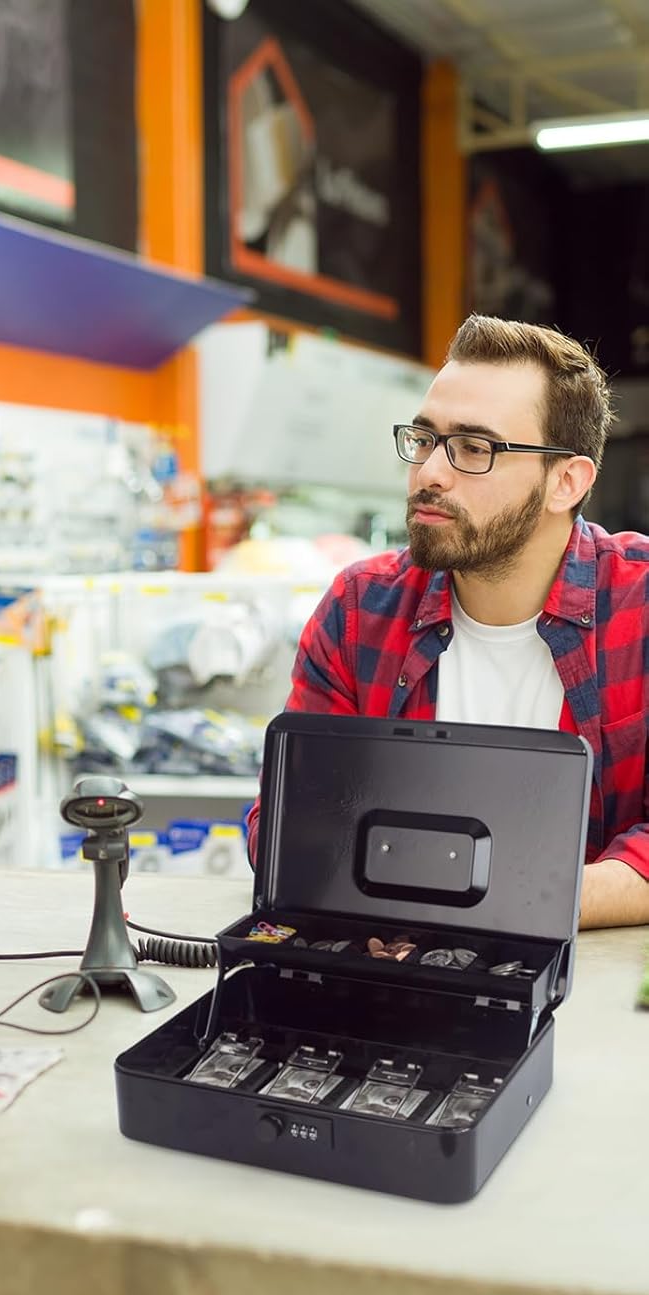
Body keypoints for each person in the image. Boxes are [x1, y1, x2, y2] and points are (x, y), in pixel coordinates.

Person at [249, 313, 646, 928]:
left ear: (566, 480)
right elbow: (284, 826)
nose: (430, 472)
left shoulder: (640, 605)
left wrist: (494, 904)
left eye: (474, 448)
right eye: (425, 438)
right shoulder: (361, 610)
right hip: (397, 972)